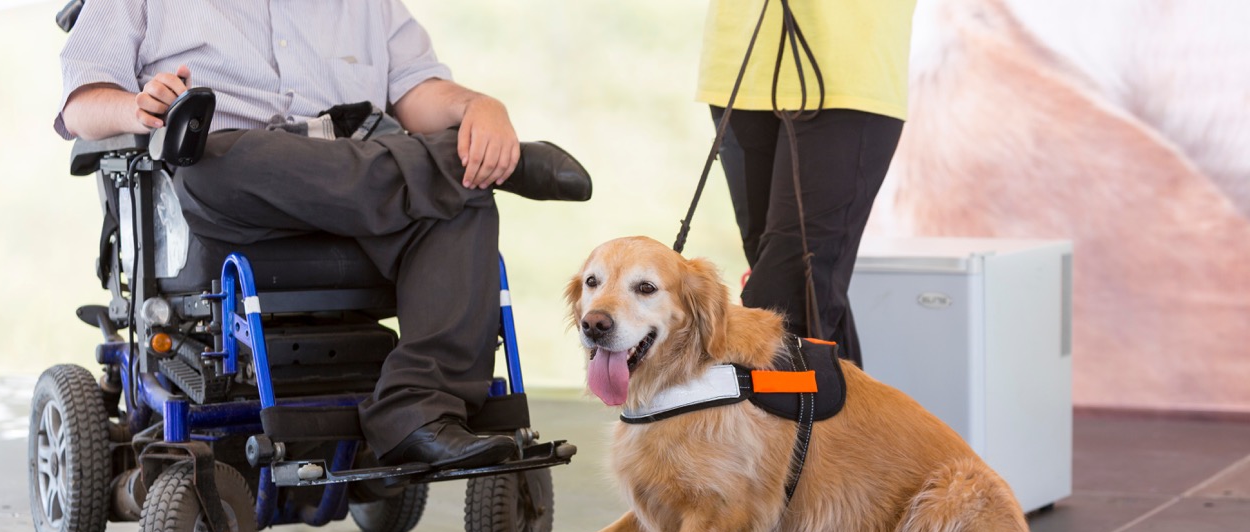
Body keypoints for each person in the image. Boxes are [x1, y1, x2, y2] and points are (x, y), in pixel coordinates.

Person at [55, 0, 591, 470]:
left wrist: (478, 109)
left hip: (353, 173)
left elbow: (416, 90)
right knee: (230, 160)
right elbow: (82, 102)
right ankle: (452, 165)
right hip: (229, 175)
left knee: (467, 190)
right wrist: (135, 107)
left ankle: (420, 411)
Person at [697, 0, 916, 367]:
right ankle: (854, 425)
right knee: (809, 297)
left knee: (784, 298)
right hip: (740, 58)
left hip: (848, 61)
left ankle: (795, 423)